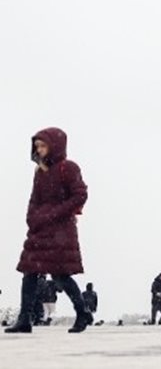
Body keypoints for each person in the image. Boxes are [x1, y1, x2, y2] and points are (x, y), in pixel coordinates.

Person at [6, 128, 92, 334]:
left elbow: (80, 195)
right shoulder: (40, 171)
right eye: (37, 147)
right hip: (39, 229)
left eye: (43, 146)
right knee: (29, 272)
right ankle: (24, 319)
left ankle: (82, 312)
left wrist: (54, 214)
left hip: (60, 230)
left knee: (60, 275)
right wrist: (31, 218)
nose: (40, 150)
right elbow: (34, 199)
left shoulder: (68, 168)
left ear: (55, 146)